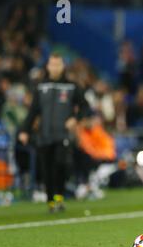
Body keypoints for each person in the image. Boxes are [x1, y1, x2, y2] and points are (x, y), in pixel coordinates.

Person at [19, 53, 90, 213]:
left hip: (63, 135)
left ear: (63, 66)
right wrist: (25, 130)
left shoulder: (72, 86)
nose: (55, 67)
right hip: (44, 135)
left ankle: (59, 197)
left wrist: (75, 118)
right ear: (48, 66)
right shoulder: (41, 86)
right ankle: (51, 201)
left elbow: (85, 106)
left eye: (58, 64)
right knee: (46, 169)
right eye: (52, 64)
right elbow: (33, 111)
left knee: (61, 165)